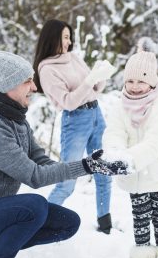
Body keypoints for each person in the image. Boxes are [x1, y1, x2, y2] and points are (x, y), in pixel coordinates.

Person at [0, 45, 128, 258]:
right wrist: (86, 166)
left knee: (67, 223)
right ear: (7, 85)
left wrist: (93, 164)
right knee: (33, 207)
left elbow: (41, 162)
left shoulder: (15, 120)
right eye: (27, 81)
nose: (35, 87)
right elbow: (34, 176)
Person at [33, 19, 116, 234]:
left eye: (70, 37)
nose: (69, 42)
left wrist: (101, 75)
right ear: (53, 39)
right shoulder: (47, 69)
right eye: (65, 37)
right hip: (75, 121)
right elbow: (68, 102)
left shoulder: (74, 58)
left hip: (96, 114)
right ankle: (41, 224)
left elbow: (94, 88)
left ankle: (105, 224)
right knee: (67, 180)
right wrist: (89, 82)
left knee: (104, 170)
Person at [102, 37, 158, 258]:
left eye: (141, 81)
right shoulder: (121, 104)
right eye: (130, 81)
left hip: (157, 169)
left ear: (152, 82)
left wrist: (130, 158)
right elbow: (114, 130)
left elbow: (156, 140)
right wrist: (116, 152)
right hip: (133, 174)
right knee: (140, 213)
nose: (134, 86)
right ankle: (142, 248)